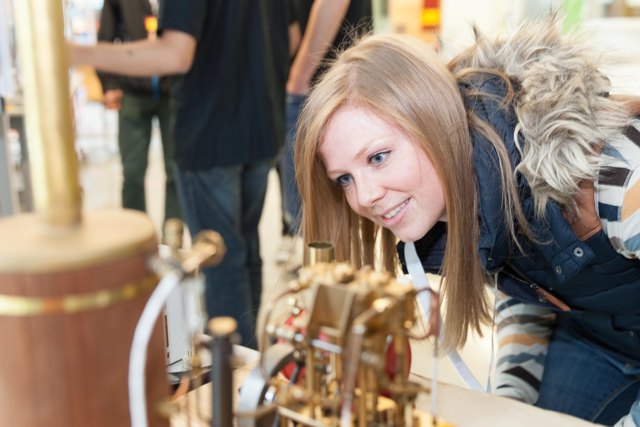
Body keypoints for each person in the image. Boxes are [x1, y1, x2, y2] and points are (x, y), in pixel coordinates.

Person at [293, 16, 640, 426]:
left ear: (433, 121)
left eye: (378, 157)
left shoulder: (615, 179)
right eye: (345, 179)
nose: (365, 196)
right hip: (598, 338)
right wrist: (504, 405)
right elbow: (533, 287)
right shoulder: (469, 183)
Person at [71, 0, 293, 349]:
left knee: (222, 257)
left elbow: (175, 54)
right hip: (261, 125)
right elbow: (291, 37)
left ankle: (233, 378)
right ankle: (249, 363)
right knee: (246, 250)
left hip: (212, 130)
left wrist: (78, 53)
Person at [275, 0, 372, 266]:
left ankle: (337, 293)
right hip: (321, 83)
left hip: (323, 84)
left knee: (321, 214)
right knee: (320, 214)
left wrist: (300, 76)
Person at [96, 0, 180, 228]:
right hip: (132, 92)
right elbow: (105, 38)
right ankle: (136, 237)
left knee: (176, 171)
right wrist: (109, 83)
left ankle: (173, 241)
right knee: (133, 172)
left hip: (173, 91)